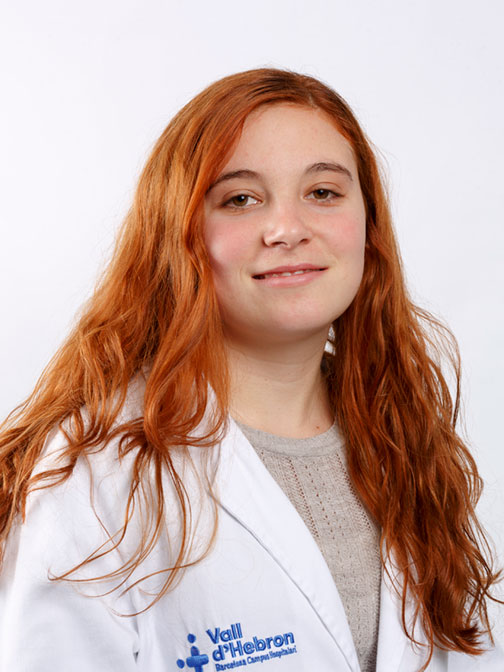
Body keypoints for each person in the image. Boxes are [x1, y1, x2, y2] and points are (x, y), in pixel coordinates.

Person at [0, 68, 502, 672]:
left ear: (369, 226)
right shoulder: (95, 474)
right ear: (178, 233)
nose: (287, 229)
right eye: (240, 199)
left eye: (323, 192)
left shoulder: (405, 437)